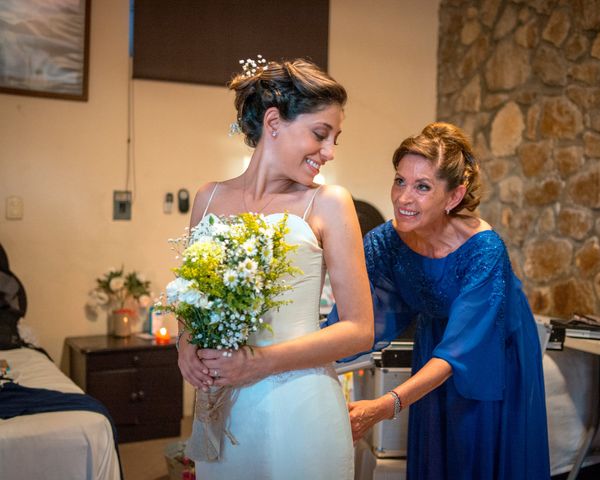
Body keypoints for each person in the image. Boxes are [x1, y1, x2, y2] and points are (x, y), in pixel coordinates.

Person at [176, 58, 373, 480]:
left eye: (335, 138)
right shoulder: (207, 199)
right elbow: (191, 299)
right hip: (225, 410)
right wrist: (184, 346)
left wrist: (259, 363)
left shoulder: (329, 202)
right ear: (273, 121)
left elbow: (359, 328)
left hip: (300, 407)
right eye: (321, 134)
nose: (330, 151)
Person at [328, 122, 550, 479]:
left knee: (473, 451)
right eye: (400, 180)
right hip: (435, 342)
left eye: (422, 187)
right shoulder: (385, 241)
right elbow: (350, 321)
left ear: (454, 197)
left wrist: (385, 406)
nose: (403, 198)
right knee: (437, 451)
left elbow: (458, 355)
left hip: (491, 353)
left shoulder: (484, 251)